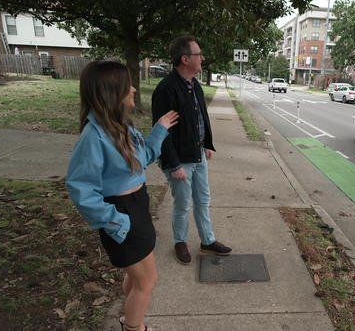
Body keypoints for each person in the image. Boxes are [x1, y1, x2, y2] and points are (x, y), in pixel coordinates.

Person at [66, 61, 179, 331]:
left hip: (137, 208)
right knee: (147, 281)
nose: (133, 89)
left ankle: (129, 319)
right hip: (121, 213)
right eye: (126, 85)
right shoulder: (93, 138)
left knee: (135, 277)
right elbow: (81, 190)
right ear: (110, 92)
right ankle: (134, 327)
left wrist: (161, 128)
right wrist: (115, 220)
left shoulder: (121, 128)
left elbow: (144, 158)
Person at [152, 36, 232, 265]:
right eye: (199, 54)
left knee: (203, 199)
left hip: (197, 154)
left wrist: (207, 142)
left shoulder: (194, 84)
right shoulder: (166, 89)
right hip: (180, 160)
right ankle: (180, 241)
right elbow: (161, 131)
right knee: (183, 203)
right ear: (185, 59)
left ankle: (207, 241)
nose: (203, 58)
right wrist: (173, 164)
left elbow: (201, 117)